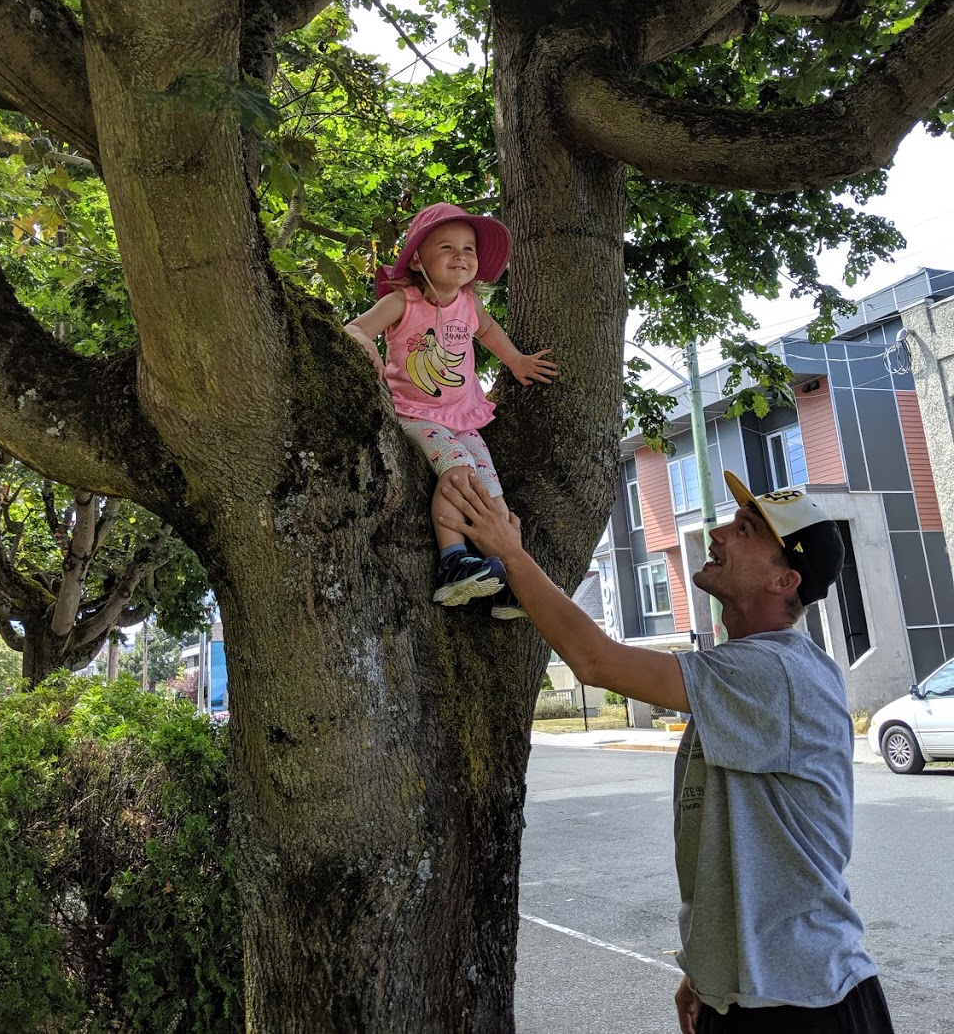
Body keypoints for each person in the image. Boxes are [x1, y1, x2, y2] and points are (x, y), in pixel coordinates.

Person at [437, 468, 895, 1033]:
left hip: (805, 1005)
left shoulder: (773, 671)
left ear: (784, 581)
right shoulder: (748, 671)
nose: (719, 533)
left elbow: (597, 662)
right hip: (747, 993)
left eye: (746, 530)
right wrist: (706, 970)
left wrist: (510, 555)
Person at [345, 202, 558, 618]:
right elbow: (354, 327)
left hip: (463, 415)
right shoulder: (402, 302)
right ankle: (453, 561)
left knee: (490, 490)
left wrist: (516, 361)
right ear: (419, 259)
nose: (461, 256)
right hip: (414, 413)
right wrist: (364, 343)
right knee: (458, 468)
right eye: (447, 247)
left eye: (469, 249)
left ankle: (504, 578)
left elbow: (490, 331)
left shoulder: (468, 304)